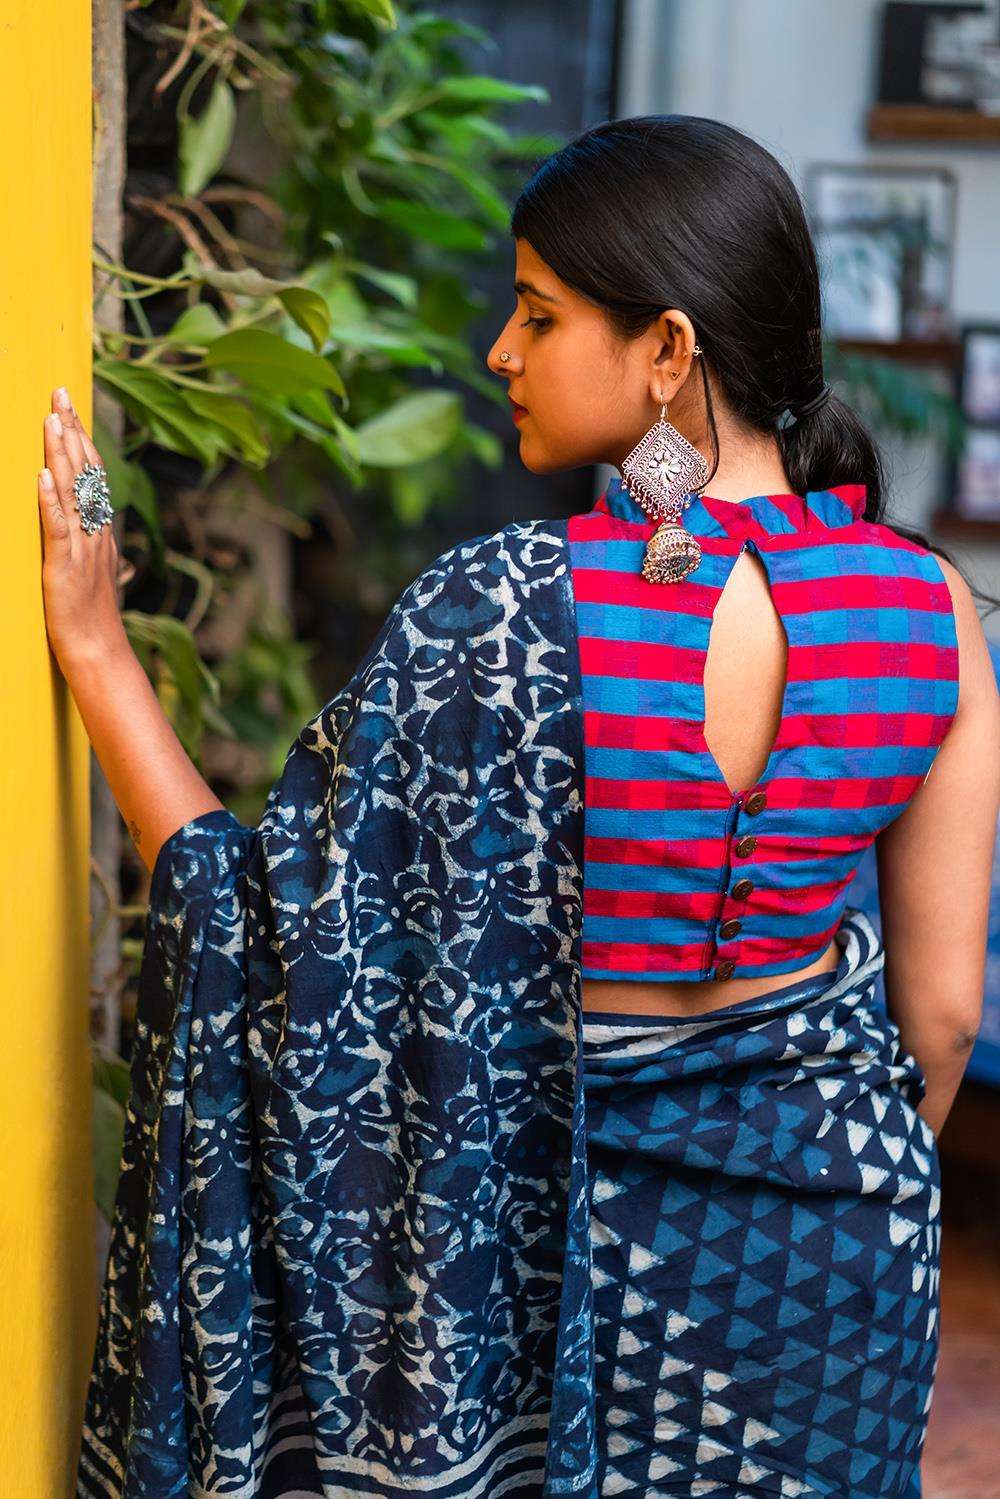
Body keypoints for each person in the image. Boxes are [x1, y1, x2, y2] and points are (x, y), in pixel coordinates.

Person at [40, 116, 997, 1499]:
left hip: (554, 1270)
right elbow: (945, 1022)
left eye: (539, 314)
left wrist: (95, 650)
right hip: (838, 1266)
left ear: (668, 350)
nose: (501, 350)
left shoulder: (502, 611)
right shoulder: (934, 613)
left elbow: (267, 931)